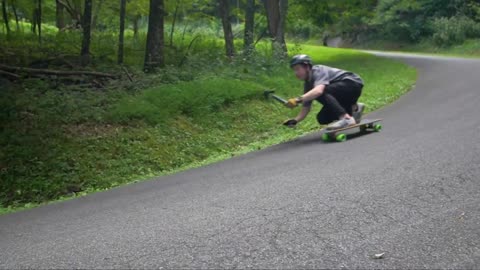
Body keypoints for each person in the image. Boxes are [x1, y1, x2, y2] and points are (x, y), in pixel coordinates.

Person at [283, 54, 365, 130]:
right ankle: (354, 109)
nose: (296, 73)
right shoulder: (308, 85)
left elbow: (318, 91)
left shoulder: (318, 70)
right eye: (294, 70)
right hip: (342, 94)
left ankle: (346, 118)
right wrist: (295, 120)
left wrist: (297, 100)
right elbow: (306, 108)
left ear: (307, 67)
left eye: (298, 69)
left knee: (320, 91)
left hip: (352, 84)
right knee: (322, 118)